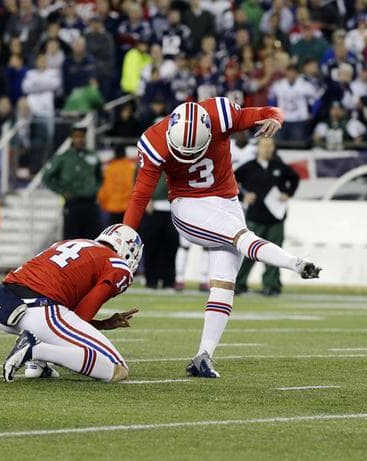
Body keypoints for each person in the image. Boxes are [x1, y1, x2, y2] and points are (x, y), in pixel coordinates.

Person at [123, 97, 321, 379]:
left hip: (227, 202)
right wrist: (127, 231)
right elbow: (141, 194)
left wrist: (275, 118)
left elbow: (270, 110)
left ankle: (203, 356)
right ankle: (295, 263)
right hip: (188, 205)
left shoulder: (221, 114)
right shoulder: (154, 141)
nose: (189, 156)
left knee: (224, 285)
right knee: (243, 237)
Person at [0, 224, 143, 382]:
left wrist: (102, 324)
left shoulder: (69, 243)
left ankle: (37, 364)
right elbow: (82, 316)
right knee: (118, 369)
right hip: (39, 310)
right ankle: (35, 350)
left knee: (57, 323)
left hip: (5, 305)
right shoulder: (118, 264)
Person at [235, 137, 300, 296]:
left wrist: (288, 193)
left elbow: (295, 178)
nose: (267, 149)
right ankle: (238, 284)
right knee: (248, 252)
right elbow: (231, 181)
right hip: (255, 217)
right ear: (258, 148)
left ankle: (271, 286)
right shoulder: (248, 167)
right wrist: (243, 196)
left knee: (276, 254)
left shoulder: (280, 166)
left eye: (270, 146)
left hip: (276, 217)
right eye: (264, 146)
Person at [43, 126, 102, 240]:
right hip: (72, 205)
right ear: (72, 138)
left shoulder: (92, 155)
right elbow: (47, 177)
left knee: (94, 242)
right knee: (71, 242)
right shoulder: (63, 158)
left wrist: (94, 188)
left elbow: (100, 177)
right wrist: (62, 191)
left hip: (91, 205)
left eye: (82, 136)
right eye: (77, 136)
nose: (80, 139)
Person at [140, 174, 179, 290]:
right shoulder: (150, 158)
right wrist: (145, 198)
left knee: (171, 246)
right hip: (153, 208)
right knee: (151, 246)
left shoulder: (179, 159)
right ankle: (151, 280)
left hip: (173, 208)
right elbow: (140, 179)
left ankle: (169, 280)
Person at [97, 146, 136, 226]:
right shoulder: (131, 168)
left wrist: (104, 205)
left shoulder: (109, 169)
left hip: (113, 208)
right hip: (129, 208)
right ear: (125, 154)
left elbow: (104, 190)